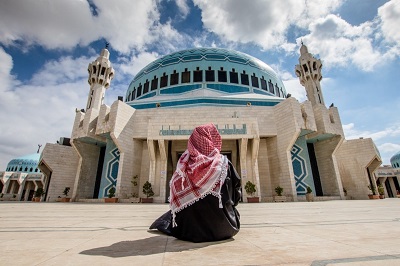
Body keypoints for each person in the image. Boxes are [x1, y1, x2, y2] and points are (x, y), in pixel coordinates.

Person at [149, 123, 241, 242]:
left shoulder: (182, 168)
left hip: (187, 232)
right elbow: (237, 196)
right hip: (225, 228)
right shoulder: (224, 165)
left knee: (172, 215)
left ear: (192, 142)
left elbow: (175, 203)